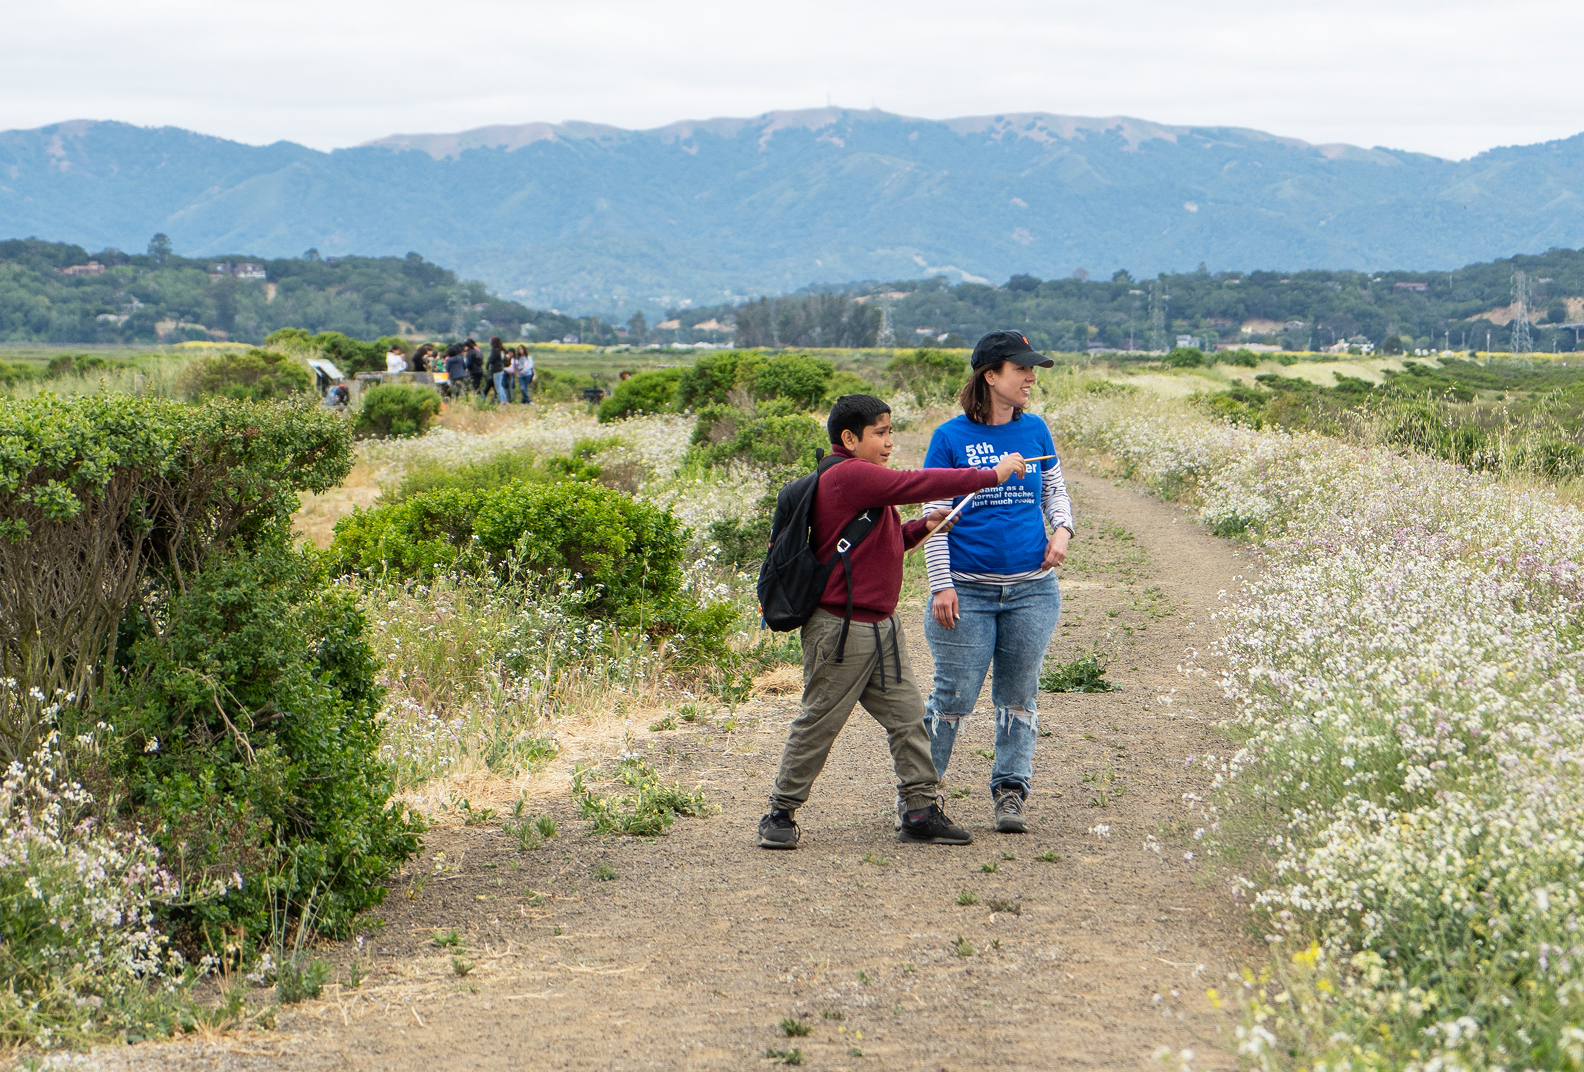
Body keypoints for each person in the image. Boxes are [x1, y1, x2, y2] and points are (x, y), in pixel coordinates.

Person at [758, 394, 1028, 851]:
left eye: (889, 431)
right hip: (842, 631)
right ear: (849, 439)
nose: (888, 442)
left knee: (907, 720)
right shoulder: (848, 475)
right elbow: (916, 482)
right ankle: (779, 813)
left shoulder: (862, 483)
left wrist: (921, 529)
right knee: (819, 722)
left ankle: (920, 810)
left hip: (880, 628)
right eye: (879, 433)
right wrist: (990, 475)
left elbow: (879, 547)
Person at [919, 330, 1074, 834]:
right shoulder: (949, 437)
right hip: (966, 591)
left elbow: (1054, 489)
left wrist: (1063, 531)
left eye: (1033, 370)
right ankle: (920, 798)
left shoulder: (1035, 432)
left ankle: (1011, 791)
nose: (1031, 377)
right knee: (953, 696)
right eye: (1021, 369)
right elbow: (934, 517)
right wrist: (942, 584)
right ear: (990, 375)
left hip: (1032, 590)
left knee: (1018, 693)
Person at [488, 336, 509, 403]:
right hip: (501, 369)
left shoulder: (495, 350)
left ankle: (501, 401)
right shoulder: (501, 350)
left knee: (498, 387)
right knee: (500, 386)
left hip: (496, 369)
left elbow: (491, 359)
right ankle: (504, 399)